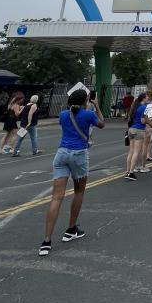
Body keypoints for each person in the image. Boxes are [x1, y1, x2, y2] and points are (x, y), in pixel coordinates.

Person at [39, 88, 104, 256]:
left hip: (61, 154)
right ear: (85, 101)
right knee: (79, 192)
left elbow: (67, 124)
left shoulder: (63, 115)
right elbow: (102, 123)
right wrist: (96, 106)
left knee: (56, 197)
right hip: (79, 154)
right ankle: (71, 229)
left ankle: (46, 241)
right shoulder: (88, 114)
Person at [124, 91, 152, 180]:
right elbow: (143, 121)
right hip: (139, 129)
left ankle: (127, 171)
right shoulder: (144, 107)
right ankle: (131, 172)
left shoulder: (135, 106)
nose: (147, 98)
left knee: (131, 151)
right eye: (146, 97)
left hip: (131, 129)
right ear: (143, 98)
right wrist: (149, 119)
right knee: (136, 152)